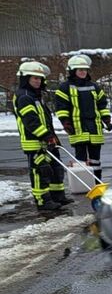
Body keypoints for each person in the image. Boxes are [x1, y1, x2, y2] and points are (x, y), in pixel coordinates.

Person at [14, 61, 70, 212]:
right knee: (40, 171)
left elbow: (45, 119)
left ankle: (57, 196)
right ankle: (43, 201)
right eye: (34, 78)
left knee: (55, 168)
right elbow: (30, 122)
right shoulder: (24, 97)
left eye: (40, 79)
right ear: (26, 79)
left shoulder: (36, 96)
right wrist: (46, 135)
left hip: (46, 139)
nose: (38, 81)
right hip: (34, 142)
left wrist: (52, 137)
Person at [55, 54, 112, 181]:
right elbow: (61, 108)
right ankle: (84, 184)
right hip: (77, 128)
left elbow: (102, 104)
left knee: (95, 160)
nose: (83, 72)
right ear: (73, 71)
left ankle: (97, 183)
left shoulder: (94, 86)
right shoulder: (64, 88)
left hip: (95, 129)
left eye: (85, 70)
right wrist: (66, 123)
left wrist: (106, 119)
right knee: (81, 161)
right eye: (80, 70)